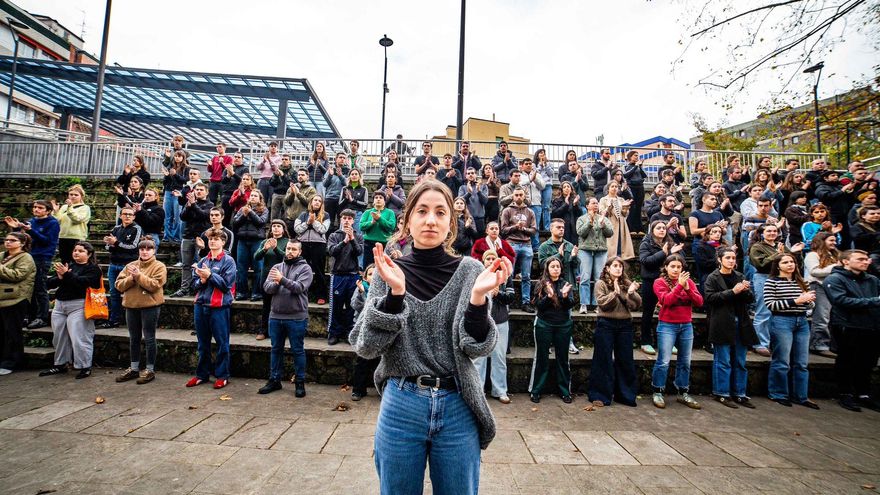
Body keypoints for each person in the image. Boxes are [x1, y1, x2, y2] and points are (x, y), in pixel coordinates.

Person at [350, 180, 511, 494]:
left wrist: (478, 299)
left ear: (451, 222)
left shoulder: (470, 271)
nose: (430, 220)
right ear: (407, 219)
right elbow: (366, 346)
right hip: (401, 403)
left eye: (440, 212)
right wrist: (396, 295)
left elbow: (477, 346)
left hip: (457, 404)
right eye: (422, 211)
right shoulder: (389, 271)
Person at [824, 249, 880, 412]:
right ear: (845, 261)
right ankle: (845, 393)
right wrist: (874, 301)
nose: (866, 261)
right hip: (847, 325)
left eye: (867, 259)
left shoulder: (873, 280)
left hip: (871, 325)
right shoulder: (834, 279)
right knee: (847, 360)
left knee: (868, 362)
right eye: (860, 259)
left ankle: (863, 393)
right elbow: (840, 300)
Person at [764, 253, 820, 409]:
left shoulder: (801, 282)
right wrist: (797, 301)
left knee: (801, 362)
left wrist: (808, 302)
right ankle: (778, 393)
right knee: (782, 360)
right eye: (786, 262)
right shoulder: (771, 282)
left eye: (792, 262)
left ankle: (801, 396)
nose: (790, 264)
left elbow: (810, 306)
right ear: (778, 265)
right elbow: (771, 305)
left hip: (801, 321)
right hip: (782, 320)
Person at [705, 247, 758, 409]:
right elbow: (710, 298)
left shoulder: (740, 276)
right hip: (722, 323)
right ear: (719, 260)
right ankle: (721, 393)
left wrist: (745, 290)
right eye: (728, 257)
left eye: (734, 258)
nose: (731, 260)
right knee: (723, 361)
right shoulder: (712, 278)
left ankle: (740, 394)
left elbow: (750, 299)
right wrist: (733, 292)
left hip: (740, 323)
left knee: (740, 361)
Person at [40, 242, 102, 379]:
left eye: (81, 251)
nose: (76, 253)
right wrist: (61, 277)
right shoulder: (69, 266)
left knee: (80, 337)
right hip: (60, 305)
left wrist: (66, 275)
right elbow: (50, 283)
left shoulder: (93, 269)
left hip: (79, 305)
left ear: (89, 254)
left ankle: (84, 366)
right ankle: (60, 364)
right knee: (59, 337)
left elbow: (83, 283)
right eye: (75, 250)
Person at [260, 240, 313, 398]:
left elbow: (299, 288)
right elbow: (267, 288)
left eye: (293, 249)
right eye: (288, 248)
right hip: (275, 316)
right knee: (276, 349)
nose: (290, 251)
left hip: (296, 318)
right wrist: (277, 282)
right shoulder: (276, 267)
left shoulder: (305, 268)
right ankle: (274, 380)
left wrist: (281, 280)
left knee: (297, 350)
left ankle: (300, 382)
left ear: (299, 252)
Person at [651, 254, 703, 410]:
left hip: (686, 325)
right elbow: (666, 301)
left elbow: (699, 302)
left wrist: (687, 288)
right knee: (664, 360)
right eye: (672, 266)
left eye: (678, 267)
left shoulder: (689, 283)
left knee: (685, 361)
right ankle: (657, 390)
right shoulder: (659, 282)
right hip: (667, 325)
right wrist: (680, 286)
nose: (675, 269)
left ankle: (683, 391)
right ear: (666, 267)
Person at [186, 229, 236, 390]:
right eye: (210, 239)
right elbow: (193, 285)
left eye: (216, 239)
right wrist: (201, 280)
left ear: (223, 242)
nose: (213, 241)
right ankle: (202, 374)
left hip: (219, 307)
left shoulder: (228, 261)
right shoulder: (202, 261)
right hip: (200, 306)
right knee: (202, 343)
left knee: (222, 343)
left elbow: (226, 286)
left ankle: (222, 375)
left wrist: (210, 276)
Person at [114, 238, 167, 385]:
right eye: (142, 249)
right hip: (131, 305)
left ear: (154, 250)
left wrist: (138, 276)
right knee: (134, 338)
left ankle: (150, 369)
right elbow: (118, 285)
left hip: (150, 306)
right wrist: (132, 278)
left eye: (148, 249)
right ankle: (134, 367)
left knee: (149, 338)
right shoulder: (130, 265)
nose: (144, 251)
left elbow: (154, 285)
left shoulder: (159, 266)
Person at [589, 257, 640, 406]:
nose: (618, 269)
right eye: (615, 266)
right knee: (603, 359)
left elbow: (635, 305)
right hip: (606, 324)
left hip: (625, 325)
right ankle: (600, 395)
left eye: (620, 266)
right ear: (607, 268)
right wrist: (615, 293)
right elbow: (603, 304)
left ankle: (625, 395)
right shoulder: (601, 283)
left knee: (625, 359)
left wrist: (630, 293)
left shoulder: (626, 283)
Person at [749, 223, 803, 356]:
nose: (772, 233)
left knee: (779, 311)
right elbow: (760, 264)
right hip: (763, 277)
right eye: (769, 231)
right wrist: (777, 254)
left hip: (782, 279)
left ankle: (774, 342)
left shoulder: (782, 245)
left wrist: (796, 253)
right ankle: (760, 343)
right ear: (762, 233)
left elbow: (793, 263)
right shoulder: (757, 247)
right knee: (763, 311)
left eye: (775, 231)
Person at [529, 257, 576, 403]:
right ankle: (536, 390)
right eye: (552, 266)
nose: (555, 269)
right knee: (542, 358)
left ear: (561, 269)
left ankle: (564, 391)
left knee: (562, 359)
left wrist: (564, 296)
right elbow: (537, 305)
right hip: (544, 324)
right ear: (547, 269)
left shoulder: (566, 284)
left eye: (558, 266)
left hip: (563, 325)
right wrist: (549, 297)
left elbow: (570, 304)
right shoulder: (541, 284)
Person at [5, 200, 58, 330]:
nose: (36, 210)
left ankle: (42, 317)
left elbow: (46, 241)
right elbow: (25, 240)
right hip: (29, 257)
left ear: (48, 210)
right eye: (35, 207)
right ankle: (31, 316)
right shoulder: (32, 221)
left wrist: (31, 230)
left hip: (42, 257)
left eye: (40, 208)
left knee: (40, 287)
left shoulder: (53, 223)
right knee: (29, 288)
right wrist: (17, 228)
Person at [472, 250, 515, 404]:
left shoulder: (505, 277)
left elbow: (511, 297)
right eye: (488, 258)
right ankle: (477, 390)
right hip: (481, 321)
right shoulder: (477, 277)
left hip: (500, 320)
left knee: (499, 357)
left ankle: (500, 390)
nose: (490, 261)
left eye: (493, 258)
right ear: (483, 261)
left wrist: (498, 294)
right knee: (479, 358)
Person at [638, 221, 683, 355]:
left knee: (668, 312)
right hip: (650, 281)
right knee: (648, 312)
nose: (662, 230)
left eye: (664, 228)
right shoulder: (646, 244)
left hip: (667, 282)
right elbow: (646, 261)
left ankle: (668, 342)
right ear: (652, 230)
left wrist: (673, 254)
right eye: (659, 228)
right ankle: (646, 342)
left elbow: (680, 261)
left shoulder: (670, 243)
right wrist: (665, 253)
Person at [100, 207, 143, 329]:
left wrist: (116, 243)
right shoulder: (116, 228)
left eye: (130, 214)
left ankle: (134, 321)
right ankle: (114, 319)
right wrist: (110, 244)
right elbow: (108, 248)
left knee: (131, 292)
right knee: (114, 292)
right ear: (120, 216)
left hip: (129, 265)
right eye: (125, 214)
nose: (128, 216)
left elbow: (134, 247)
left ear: (134, 216)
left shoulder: (137, 228)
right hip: (114, 264)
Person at [326, 210, 364, 345]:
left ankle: (349, 332)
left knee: (351, 306)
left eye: (349, 218)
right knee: (335, 305)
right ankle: (334, 332)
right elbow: (331, 252)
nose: (347, 220)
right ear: (341, 219)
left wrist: (352, 239)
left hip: (353, 275)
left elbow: (359, 252)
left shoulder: (358, 236)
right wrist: (344, 241)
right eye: (344, 218)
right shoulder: (333, 235)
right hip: (337, 275)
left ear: (353, 221)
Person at [0, 232, 35, 375]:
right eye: (6, 240)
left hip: (16, 298)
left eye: (12, 240)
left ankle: (12, 361)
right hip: (2, 298)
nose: (8, 242)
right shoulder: (2, 255)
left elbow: (17, 275)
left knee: (12, 331)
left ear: (21, 243)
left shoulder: (26, 258)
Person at [500, 187, 538, 312]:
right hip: (511, 243)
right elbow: (503, 230)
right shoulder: (507, 210)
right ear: (512, 196)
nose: (519, 197)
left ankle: (525, 302)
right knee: (508, 274)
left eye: (521, 195)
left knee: (526, 276)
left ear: (524, 195)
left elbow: (533, 230)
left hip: (527, 244)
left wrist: (523, 229)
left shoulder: (530, 212)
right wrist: (516, 227)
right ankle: (507, 302)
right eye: (516, 195)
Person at [803, 232, 839, 358]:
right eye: (831, 240)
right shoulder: (812, 255)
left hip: (833, 288)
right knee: (821, 317)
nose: (834, 243)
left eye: (835, 240)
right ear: (822, 241)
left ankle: (830, 344)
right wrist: (836, 267)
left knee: (831, 317)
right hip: (818, 286)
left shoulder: (833, 255)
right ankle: (819, 345)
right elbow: (814, 271)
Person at [173, 183, 212, 297]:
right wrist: (189, 206)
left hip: (201, 238)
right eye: (196, 190)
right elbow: (182, 217)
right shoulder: (190, 203)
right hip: (187, 236)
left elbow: (203, 215)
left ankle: (199, 288)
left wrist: (193, 204)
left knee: (200, 264)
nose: (198, 191)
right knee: (186, 265)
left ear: (207, 192)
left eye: (201, 190)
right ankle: (184, 288)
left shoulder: (210, 204)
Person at [254, 220, 290, 341]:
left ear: (283, 229)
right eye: (273, 226)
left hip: (282, 276)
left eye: (278, 226)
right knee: (266, 305)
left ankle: (281, 332)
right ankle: (263, 330)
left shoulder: (287, 242)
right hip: (266, 276)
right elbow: (256, 257)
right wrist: (264, 249)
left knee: (281, 304)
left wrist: (275, 248)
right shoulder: (265, 241)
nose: (275, 228)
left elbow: (287, 257)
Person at [576, 197, 613, 312]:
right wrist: (590, 222)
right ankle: (584, 304)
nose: (596, 205)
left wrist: (603, 225)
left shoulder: (604, 219)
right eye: (593, 203)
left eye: (597, 203)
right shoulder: (581, 219)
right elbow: (581, 233)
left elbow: (610, 233)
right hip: (585, 250)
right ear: (587, 206)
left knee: (599, 278)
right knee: (585, 277)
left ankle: (598, 304)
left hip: (601, 250)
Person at [233, 190, 269, 302]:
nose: (252, 197)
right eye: (251, 195)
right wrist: (244, 215)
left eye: (255, 196)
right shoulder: (242, 209)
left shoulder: (264, 210)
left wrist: (250, 213)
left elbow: (261, 222)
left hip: (257, 241)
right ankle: (241, 292)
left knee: (258, 267)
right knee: (241, 268)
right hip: (242, 241)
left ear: (260, 198)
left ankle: (257, 293)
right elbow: (235, 223)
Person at [350, 264, 379, 401]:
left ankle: (382, 389)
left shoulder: (383, 289)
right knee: (362, 361)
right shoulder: (360, 289)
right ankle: (358, 390)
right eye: (370, 274)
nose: (372, 277)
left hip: (378, 330)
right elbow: (355, 306)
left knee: (380, 362)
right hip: (363, 329)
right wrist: (362, 293)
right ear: (365, 277)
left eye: (375, 274)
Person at [294, 195, 330, 304]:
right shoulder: (303, 214)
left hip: (319, 245)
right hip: (304, 244)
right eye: (315, 200)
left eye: (320, 201)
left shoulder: (326, 215)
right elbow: (297, 229)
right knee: (303, 270)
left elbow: (323, 229)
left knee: (319, 271)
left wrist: (313, 222)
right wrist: (307, 222)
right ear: (311, 202)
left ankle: (321, 296)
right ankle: (303, 293)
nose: (317, 202)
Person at [52, 185, 91, 265]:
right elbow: (57, 221)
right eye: (71, 194)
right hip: (63, 236)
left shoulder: (85, 208)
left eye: (76, 195)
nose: (73, 196)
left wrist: (70, 207)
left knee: (75, 261)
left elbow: (77, 219)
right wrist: (55, 212)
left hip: (76, 238)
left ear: (81, 196)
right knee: (64, 261)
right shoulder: (64, 207)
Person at [538, 218, 579, 288]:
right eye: (558, 227)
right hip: (551, 285)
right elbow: (542, 265)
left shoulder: (569, 245)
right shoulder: (544, 246)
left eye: (563, 227)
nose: (561, 229)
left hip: (567, 284)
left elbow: (575, 266)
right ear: (551, 229)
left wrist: (574, 257)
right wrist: (558, 255)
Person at [598, 181, 634, 259]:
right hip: (610, 224)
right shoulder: (603, 199)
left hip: (621, 224)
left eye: (616, 187)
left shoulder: (621, 199)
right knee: (611, 245)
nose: (614, 188)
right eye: (612, 186)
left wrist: (625, 207)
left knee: (621, 243)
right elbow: (602, 213)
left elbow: (625, 215)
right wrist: (609, 207)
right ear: (608, 188)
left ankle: (620, 259)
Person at [360, 192, 397, 269]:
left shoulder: (390, 212)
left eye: (380, 198)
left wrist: (379, 219)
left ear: (384, 201)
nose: (378, 199)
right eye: (376, 198)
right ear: (373, 201)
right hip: (369, 244)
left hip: (384, 244)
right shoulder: (367, 212)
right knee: (368, 268)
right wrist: (371, 222)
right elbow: (361, 226)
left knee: (384, 268)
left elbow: (391, 227)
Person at [161, 149, 190, 241]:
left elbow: (185, 180)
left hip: (179, 192)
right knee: (167, 215)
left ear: (183, 158)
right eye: (176, 156)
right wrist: (167, 176)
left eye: (179, 156)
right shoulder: (170, 167)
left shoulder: (186, 168)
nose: (177, 158)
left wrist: (175, 175)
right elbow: (165, 182)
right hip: (168, 192)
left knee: (178, 216)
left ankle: (176, 236)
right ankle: (167, 236)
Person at [519, 158, 547, 250]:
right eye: (526, 163)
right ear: (522, 166)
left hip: (536, 204)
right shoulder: (519, 175)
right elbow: (519, 185)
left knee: (536, 227)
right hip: (524, 205)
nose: (528, 165)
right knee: (524, 225)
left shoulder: (537, 175)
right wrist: (530, 180)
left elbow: (543, 186)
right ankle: (525, 246)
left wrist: (535, 179)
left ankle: (535, 248)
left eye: (530, 164)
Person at [282, 168, 317, 235]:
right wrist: (292, 194)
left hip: (303, 221)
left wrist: (298, 194)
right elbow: (286, 202)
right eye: (299, 175)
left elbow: (309, 203)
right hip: (290, 220)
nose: (300, 176)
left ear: (307, 177)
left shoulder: (311, 189)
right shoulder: (291, 187)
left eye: (302, 175)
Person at [693, 223, 726, 294]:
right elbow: (704, 264)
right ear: (708, 234)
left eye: (720, 232)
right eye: (715, 232)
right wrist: (721, 259)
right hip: (707, 277)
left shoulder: (724, 247)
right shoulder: (701, 247)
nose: (718, 234)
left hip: (724, 277)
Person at [219, 152, 248, 228]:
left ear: (242, 159)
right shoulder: (228, 168)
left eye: (239, 157)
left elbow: (243, 181)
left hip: (238, 195)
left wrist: (233, 173)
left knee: (238, 216)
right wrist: (228, 175)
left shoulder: (245, 168)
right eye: (235, 157)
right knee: (225, 216)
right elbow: (223, 181)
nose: (237, 158)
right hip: (227, 194)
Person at [458, 167, 489, 234]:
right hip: (467, 219)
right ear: (466, 176)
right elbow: (460, 203)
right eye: (468, 173)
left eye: (472, 173)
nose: (470, 175)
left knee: (479, 240)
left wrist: (478, 191)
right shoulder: (462, 187)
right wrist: (469, 193)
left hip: (480, 219)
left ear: (476, 175)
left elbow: (485, 201)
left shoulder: (483, 186)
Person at [322, 152, 349, 229]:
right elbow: (324, 184)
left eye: (344, 158)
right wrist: (330, 176)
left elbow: (347, 184)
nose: (342, 159)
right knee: (328, 222)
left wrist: (340, 176)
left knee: (342, 223)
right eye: (340, 157)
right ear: (336, 159)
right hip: (329, 199)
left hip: (342, 200)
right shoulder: (330, 170)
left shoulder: (348, 171)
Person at [850, 206, 880, 275]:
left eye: (878, 213)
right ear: (863, 216)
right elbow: (857, 237)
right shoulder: (857, 226)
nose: (876, 215)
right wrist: (876, 235)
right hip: (868, 254)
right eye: (872, 214)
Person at [623, 150, 647, 233]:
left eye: (637, 155)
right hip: (631, 187)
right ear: (630, 157)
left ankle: (639, 228)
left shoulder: (637, 166)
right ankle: (631, 228)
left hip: (640, 187)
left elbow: (644, 176)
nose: (637, 157)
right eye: (635, 155)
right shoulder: (627, 166)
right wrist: (636, 166)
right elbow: (626, 175)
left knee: (639, 208)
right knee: (632, 208)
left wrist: (640, 166)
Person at [340, 167, 369, 232]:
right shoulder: (345, 188)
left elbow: (365, 204)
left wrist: (353, 201)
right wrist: (346, 199)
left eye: (356, 174)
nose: (354, 176)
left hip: (358, 214)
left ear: (359, 176)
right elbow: (340, 204)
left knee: (358, 234)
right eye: (352, 174)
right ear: (349, 176)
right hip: (346, 213)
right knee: (343, 234)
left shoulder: (363, 189)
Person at [533, 148, 555, 232]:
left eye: (544, 153)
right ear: (537, 155)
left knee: (546, 207)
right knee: (538, 206)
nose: (542, 154)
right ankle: (537, 226)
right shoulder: (534, 164)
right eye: (541, 153)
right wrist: (540, 165)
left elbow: (551, 173)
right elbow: (535, 173)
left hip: (547, 185)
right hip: (538, 186)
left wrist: (545, 165)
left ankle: (546, 227)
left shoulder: (549, 164)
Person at [268, 154, 294, 221]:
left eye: (286, 159)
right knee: (274, 215)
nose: (284, 161)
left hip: (287, 195)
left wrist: (283, 176)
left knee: (287, 215)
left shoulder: (293, 172)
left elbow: (292, 184)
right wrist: (276, 176)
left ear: (290, 161)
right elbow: (271, 183)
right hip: (276, 194)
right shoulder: (277, 171)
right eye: (282, 159)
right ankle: (272, 229)